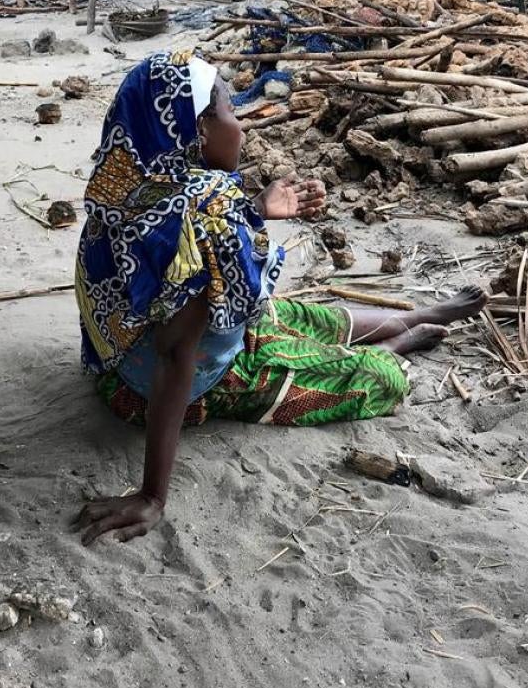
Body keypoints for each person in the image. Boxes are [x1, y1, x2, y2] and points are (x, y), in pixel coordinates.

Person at [74, 50, 486, 545]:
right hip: (169, 387)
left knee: (296, 316)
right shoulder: (205, 221)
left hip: (125, 358)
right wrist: (152, 497)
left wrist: (258, 208)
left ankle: (413, 314)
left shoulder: (127, 181)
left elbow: (178, 270)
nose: (241, 126)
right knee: (377, 380)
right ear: (199, 131)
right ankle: (391, 347)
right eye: (230, 111)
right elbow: (176, 356)